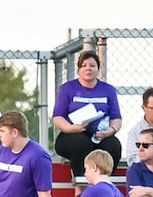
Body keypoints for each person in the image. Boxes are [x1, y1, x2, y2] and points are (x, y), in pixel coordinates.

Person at [50, 50, 123, 179]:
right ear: (78, 69)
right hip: (72, 133)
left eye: (92, 65)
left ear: (98, 69)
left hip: (100, 134)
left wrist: (110, 131)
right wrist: (70, 128)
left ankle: (105, 183)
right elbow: (58, 117)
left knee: (113, 146)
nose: (88, 68)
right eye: (84, 65)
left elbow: (116, 118)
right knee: (81, 144)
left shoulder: (108, 90)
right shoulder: (67, 88)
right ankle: (80, 185)